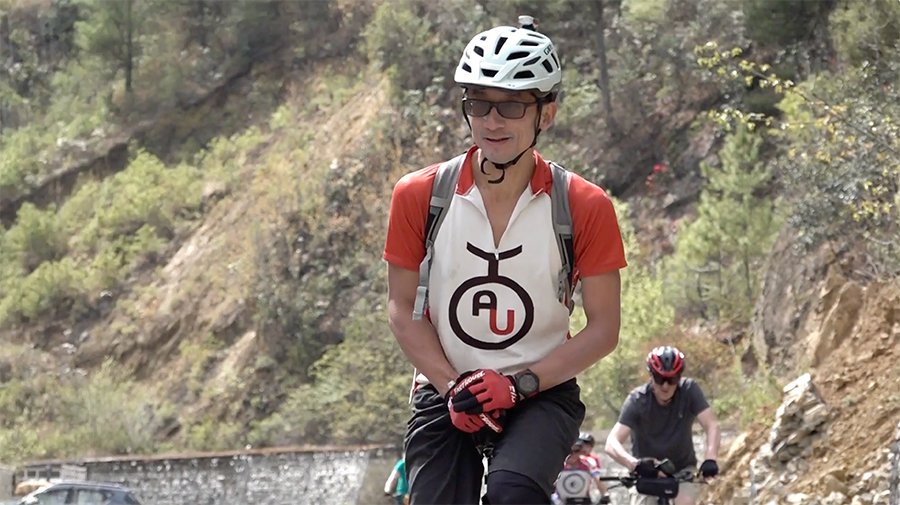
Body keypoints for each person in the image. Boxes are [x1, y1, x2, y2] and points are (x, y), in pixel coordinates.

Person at [384, 17, 627, 505]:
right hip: (445, 385)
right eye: (479, 104)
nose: (493, 122)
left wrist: (517, 385)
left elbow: (604, 330)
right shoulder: (419, 195)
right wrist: (455, 387)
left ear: (547, 113)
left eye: (512, 106)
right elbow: (402, 308)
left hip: (541, 387)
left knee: (514, 493)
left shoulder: (584, 205)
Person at [604, 346, 721, 505]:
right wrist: (634, 464)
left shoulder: (689, 390)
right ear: (651, 376)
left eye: (672, 380)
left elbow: (711, 424)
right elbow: (612, 443)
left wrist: (710, 459)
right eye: (660, 379)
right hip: (646, 473)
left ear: (679, 378)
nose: (665, 386)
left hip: (682, 470)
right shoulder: (638, 399)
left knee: (685, 502)